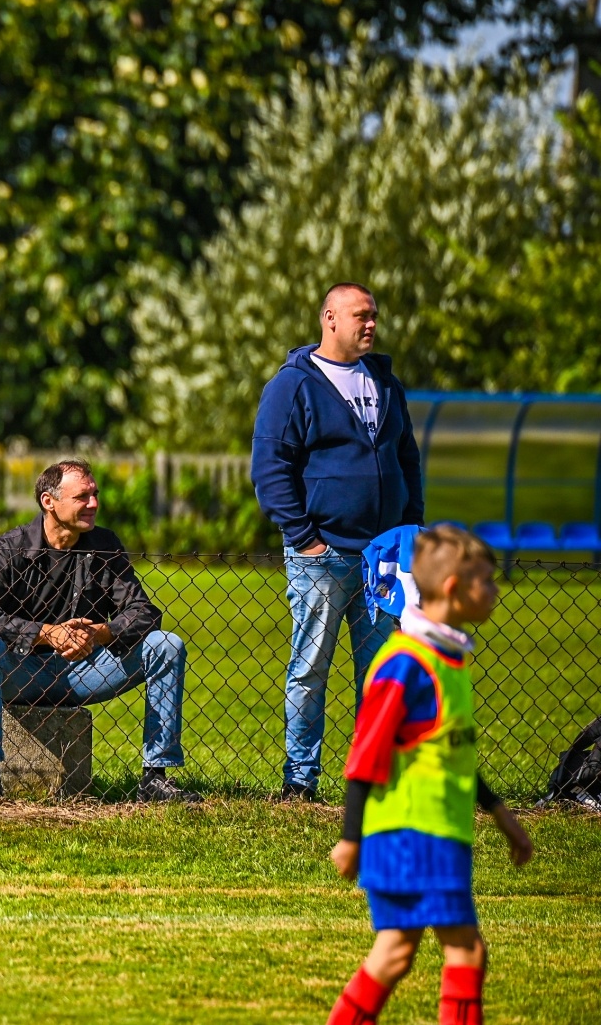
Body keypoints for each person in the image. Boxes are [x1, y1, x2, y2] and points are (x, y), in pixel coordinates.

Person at [325, 525, 532, 1025]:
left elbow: (452, 752)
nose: (496, 591)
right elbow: (365, 752)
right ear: (455, 589)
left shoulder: (447, 659)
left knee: (394, 953)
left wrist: (502, 816)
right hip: (416, 834)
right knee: (466, 952)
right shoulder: (404, 664)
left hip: (430, 832)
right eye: (488, 581)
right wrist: (350, 838)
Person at [251, 283, 425, 801]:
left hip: (383, 558)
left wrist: (408, 529)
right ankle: (300, 780)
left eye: (374, 317)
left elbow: (407, 460)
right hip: (321, 555)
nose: (370, 325)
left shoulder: (385, 383)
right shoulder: (293, 385)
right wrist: (304, 538)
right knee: (310, 670)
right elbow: (270, 467)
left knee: (382, 674)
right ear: (330, 317)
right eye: (361, 316)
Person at [0, 460, 198, 803]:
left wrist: (102, 632)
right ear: (48, 501)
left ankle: (155, 778)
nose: (94, 503)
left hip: (87, 670)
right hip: (21, 671)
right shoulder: (10, 548)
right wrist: (45, 633)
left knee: (167, 645)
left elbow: (143, 612)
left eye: (95, 494)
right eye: (83, 496)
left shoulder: (104, 545)